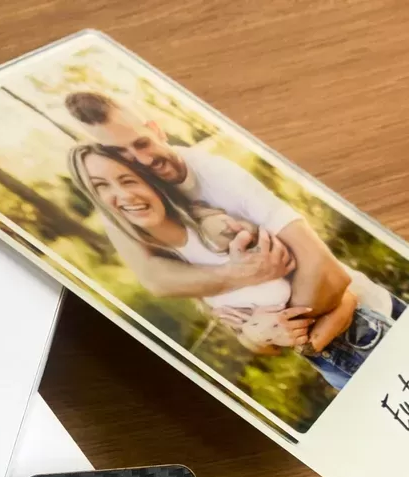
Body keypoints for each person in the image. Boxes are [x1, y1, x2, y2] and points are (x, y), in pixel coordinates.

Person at [69, 143, 402, 387]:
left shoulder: (221, 231)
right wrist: (258, 334)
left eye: (128, 179)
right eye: (102, 186)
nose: (124, 195)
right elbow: (260, 343)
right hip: (337, 368)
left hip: (371, 332)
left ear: (149, 182)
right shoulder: (178, 270)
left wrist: (302, 339)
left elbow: (339, 288)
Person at [64, 91, 352, 320]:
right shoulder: (131, 204)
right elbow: (154, 279)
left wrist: (287, 332)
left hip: (349, 310)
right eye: (121, 154)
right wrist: (238, 282)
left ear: (156, 130)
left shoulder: (218, 174)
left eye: (142, 143)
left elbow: (322, 266)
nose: (142, 160)